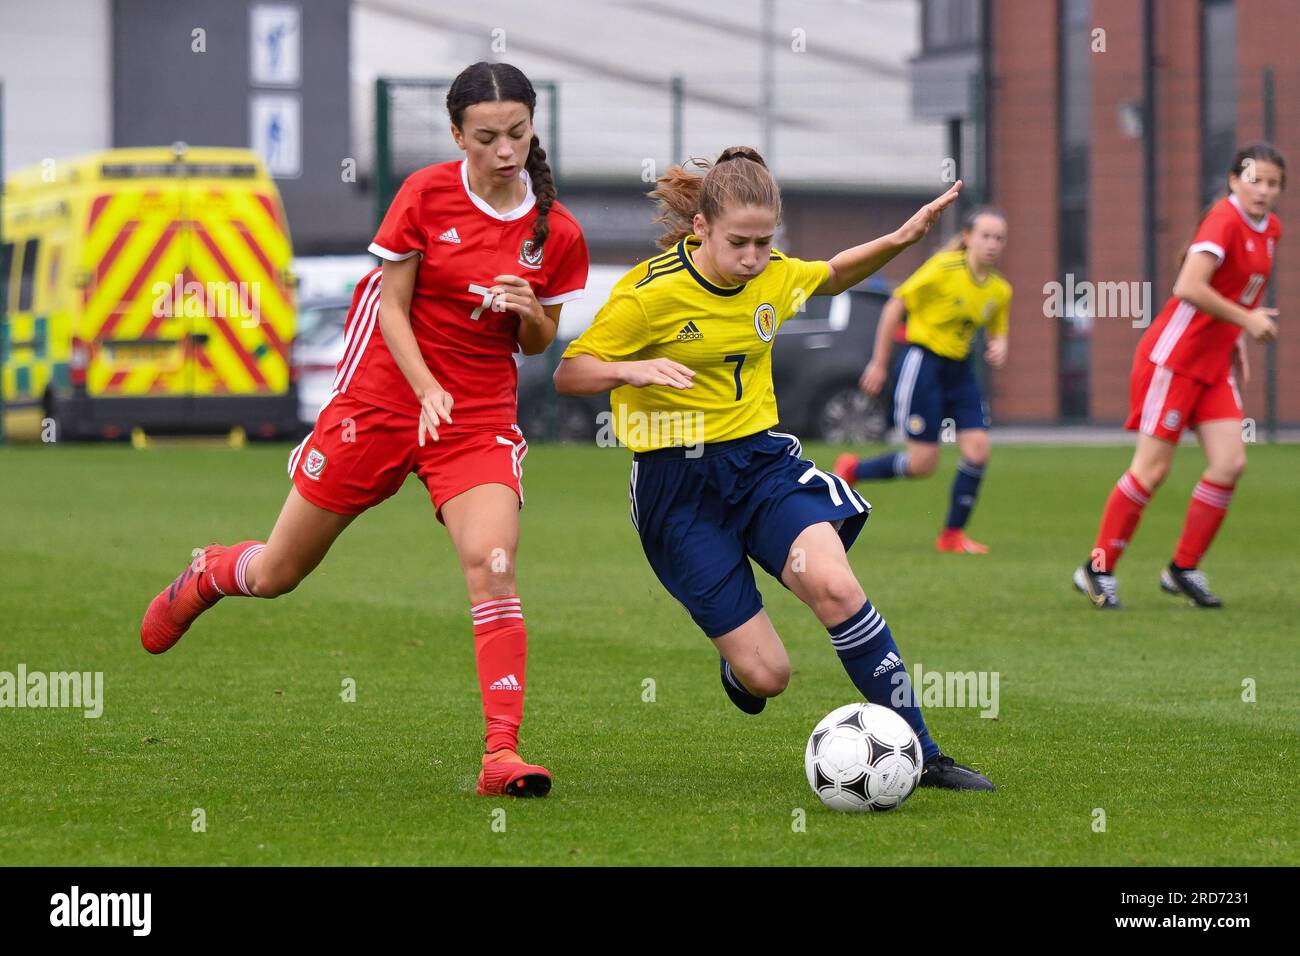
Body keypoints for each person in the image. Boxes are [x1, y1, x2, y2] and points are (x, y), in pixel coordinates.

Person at [140, 61, 590, 797]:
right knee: (281, 571)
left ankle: (501, 755)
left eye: (517, 133)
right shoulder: (424, 194)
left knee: (494, 562)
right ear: (457, 135)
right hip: (384, 397)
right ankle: (212, 572)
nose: (505, 149)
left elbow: (540, 342)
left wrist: (530, 310)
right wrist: (423, 388)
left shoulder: (556, 232)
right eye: (486, 136)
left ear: (531, 127)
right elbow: (389, 305)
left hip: (473, 418)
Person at [554, 147, 993, 791]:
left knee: (838, 588)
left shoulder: (774, 273)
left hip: (759, 466)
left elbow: (834, 274)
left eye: (765, 243)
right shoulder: (648, 295)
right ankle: (740, 665)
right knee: (769, 676)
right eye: (739, 242)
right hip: (677, 490)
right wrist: (630, 368)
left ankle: (923, 753)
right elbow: (570, 371)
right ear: (701, 226)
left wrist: (901, 239)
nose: (754, 258)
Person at [1074, 143, 1283, 610]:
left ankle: (1182, 568)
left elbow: (1237, 294)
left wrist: (1237, 341)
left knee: (1230, 463)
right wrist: (1247, 322)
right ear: (1233, 180)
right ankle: (1097, 567)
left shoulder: (1271, 229)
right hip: (1175, 360)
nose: (1263, 190)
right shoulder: (1223, 220)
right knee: (1152, 469)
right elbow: (1188, 287)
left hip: (1213, 365)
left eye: (1272, 183)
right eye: (1255, 179)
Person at [834, 207, 1011, 554]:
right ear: (968, 238)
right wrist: (880, 363)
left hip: (960, 371)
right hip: (924, 363)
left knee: (978, 450)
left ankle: (952, 536)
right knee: (922, 464)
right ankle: (853, 469)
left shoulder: (1000, 290)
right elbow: (895, 305)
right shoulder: (942, 269)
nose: (992, 244)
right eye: (985, 236)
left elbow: (998, 329)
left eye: (999, 238)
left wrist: (1000, 345)